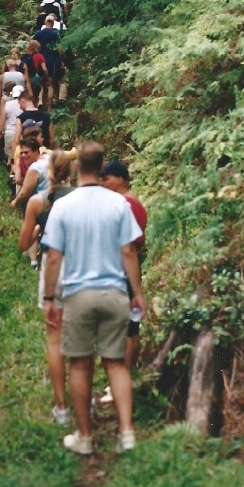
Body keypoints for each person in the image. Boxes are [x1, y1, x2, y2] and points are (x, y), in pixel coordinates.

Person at [41, 142, 146, 456]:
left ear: (77, 167)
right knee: (116, 365)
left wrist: (49, 298)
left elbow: (55, 257)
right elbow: (129, 251)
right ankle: (127, 433)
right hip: (114, 293)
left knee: (80, 366)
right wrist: (137, 292)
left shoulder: (64, 206)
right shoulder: (119, 205)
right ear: (101, 167)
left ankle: (85, 436)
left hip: (76, 295)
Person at [19, 150, 74, 425]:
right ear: (71, 171)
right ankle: (83, 398)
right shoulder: (80, 198)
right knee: (80, 339)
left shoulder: (37, 203)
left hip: (52, 269)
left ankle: (61, 407)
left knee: (54, 341)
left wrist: (39, 232)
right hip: (79, 269)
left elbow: (22, 243)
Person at [99, 160, 148, 402]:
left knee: (125, 329)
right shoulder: (131, 202)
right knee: (130, 327)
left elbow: (129, 245)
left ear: (120, 179)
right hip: (126, 269)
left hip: (122, 270)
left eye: (106, 179)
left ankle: (121, 380)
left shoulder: (126, 204)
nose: (102, 184)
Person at [33, 15, 63, 108]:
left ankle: (41, 102)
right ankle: (49, 107)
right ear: (53, 23)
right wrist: (61, 60)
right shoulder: (55, 33)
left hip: (40, 60)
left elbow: (33, 46)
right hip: (52, 60)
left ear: (45, 22)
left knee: (41, 83)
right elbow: (59, 48)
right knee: (50, 83)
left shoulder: (38, 33)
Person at [0, 83, 23, 169]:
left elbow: (1, 123)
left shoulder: (8, 105)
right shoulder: (25, 105)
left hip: (10, 133)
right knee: (22, 157)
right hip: (22, 134)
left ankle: (12, 174)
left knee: (11, 157)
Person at [20, 40, 48, 109]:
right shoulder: (40, 56)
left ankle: (28, 108)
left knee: (28, 94)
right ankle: (39, 104)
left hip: (26, 78)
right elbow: (44, 69)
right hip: (35, 77)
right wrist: (46, 75)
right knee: (40, 88)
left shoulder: (24, 57)